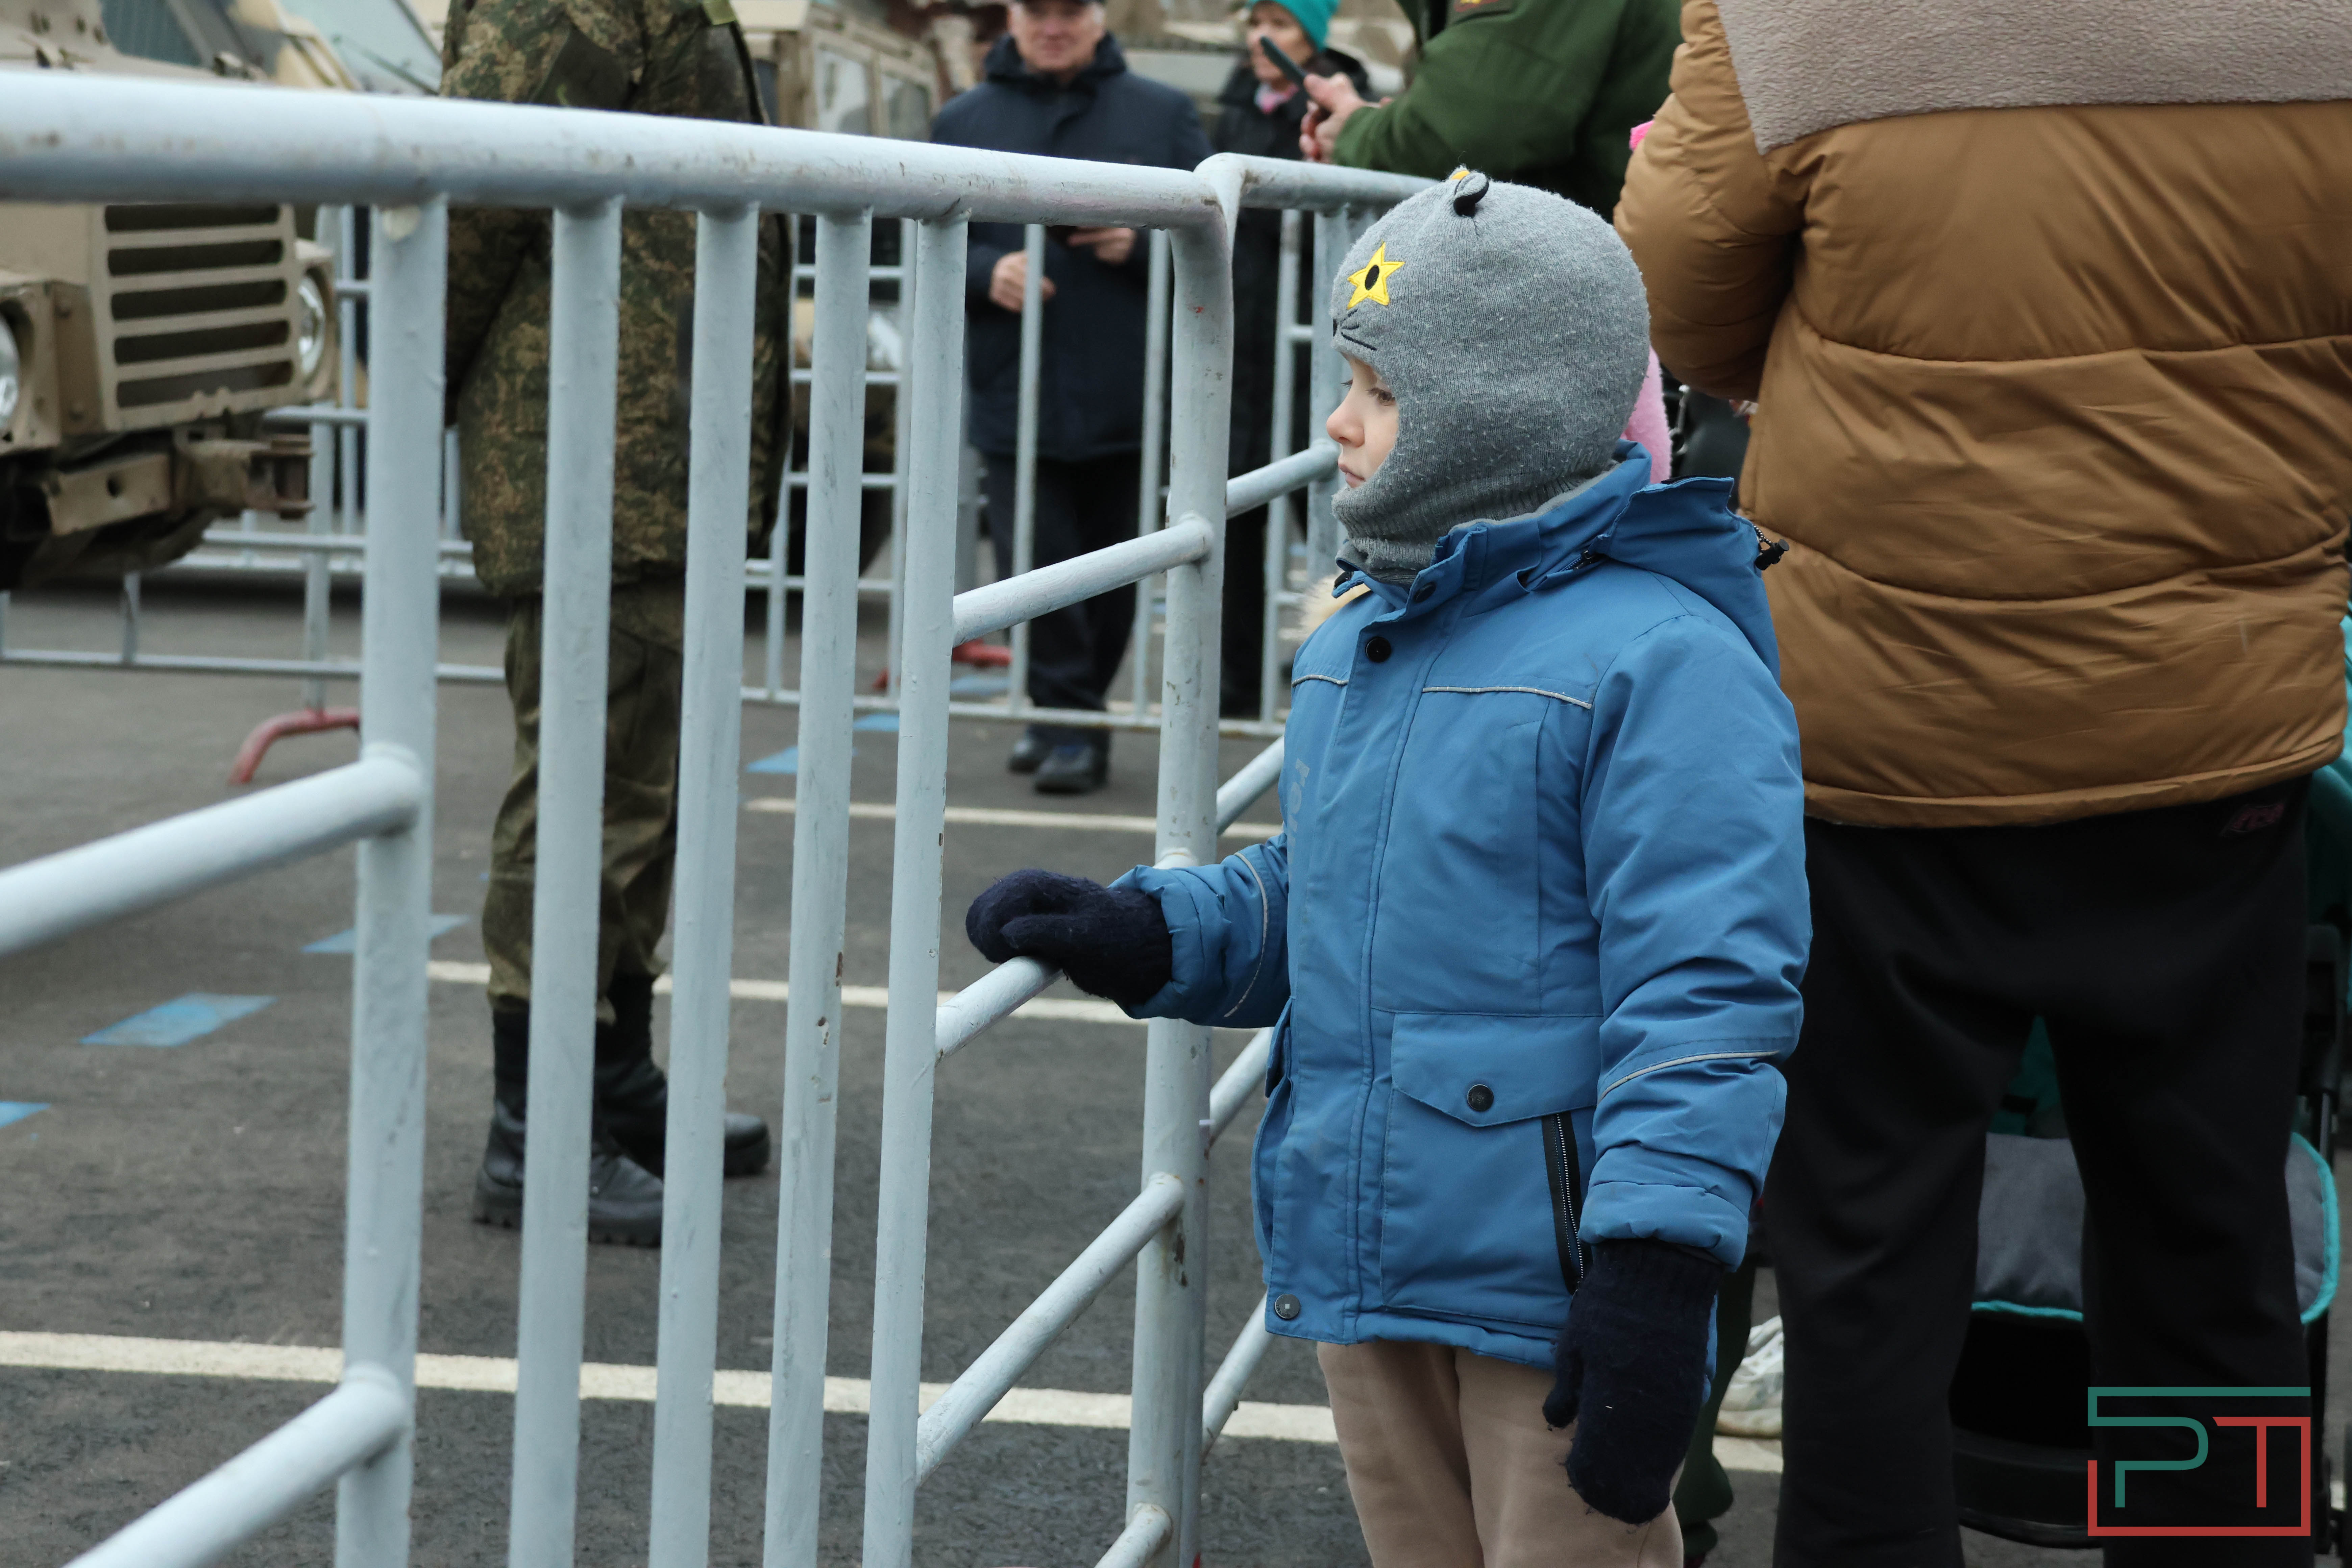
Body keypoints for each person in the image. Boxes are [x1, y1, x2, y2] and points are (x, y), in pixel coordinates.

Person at [965, 172, 1808, 1563]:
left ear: (1501, 413)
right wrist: (1156, 930)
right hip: (1373, 1256)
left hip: (1554, 1287)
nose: (1339, 424)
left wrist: (1656, 1271)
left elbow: (1707, 994)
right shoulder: (1373, 628)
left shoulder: (1666, 657)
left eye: (1378, 389)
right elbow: (1334, 888)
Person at [1615, 1, 2352, 1560]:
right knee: (2206, 1245)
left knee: (1866, 1263)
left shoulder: (1793, 17)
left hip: (1886, 731)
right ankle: (2211, 1550)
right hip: (2207, 722)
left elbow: (1677, 305)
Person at [441, 0, 784, 1246]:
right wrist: (429, 374)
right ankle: (535, 1128)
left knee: (641, 788)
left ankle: (609, 1076)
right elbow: (473, 190)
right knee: (591, 787)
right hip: (597, 449)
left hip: (649, 449)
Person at [930, 0, 1213, 793]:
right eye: (1036, 10)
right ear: (1012, 18)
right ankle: (1068, 722)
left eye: (1070, 9)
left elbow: (1218, 238)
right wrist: (990, 273)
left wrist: (1139, 245)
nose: (1052, 25)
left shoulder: (1162, 113)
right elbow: (921, 240)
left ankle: (1065, 716)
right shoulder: (963, 118)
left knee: (1118, 566)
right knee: (1033, 557)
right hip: (1013, 384)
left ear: (1097, 18)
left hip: (1127, 386)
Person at [1212, 0, 1369, 719]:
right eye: (1252, 24)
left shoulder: (1346, 95)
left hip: (1318, 334)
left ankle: (1350, 664)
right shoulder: (1235, 99)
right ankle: (1233, 682)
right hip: (1243, 336)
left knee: (1333, 508)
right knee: (1234, 510)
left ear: (1312, 33)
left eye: (1276, 22)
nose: (1258, 40)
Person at [1295, 0, 1676, 216]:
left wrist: (1356, 133)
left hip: (1611, 294)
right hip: (1617, 276)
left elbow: (1472, 126)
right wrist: (1387, 121)